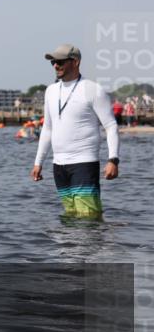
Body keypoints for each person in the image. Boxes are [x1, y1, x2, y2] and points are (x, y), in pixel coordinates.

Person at [31, 44, 120, 219]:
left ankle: (93, 246)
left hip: (84, 163)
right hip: (59, 166)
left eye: (61, 61)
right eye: (53, 62)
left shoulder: (93, 89)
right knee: (70, 216)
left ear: (76, 62)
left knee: (88, 218)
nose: (56, 65)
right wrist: (38, 162)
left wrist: (113, 160)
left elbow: (111, 126)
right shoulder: (51, 91)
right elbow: (48, 128)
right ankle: (70, 247)